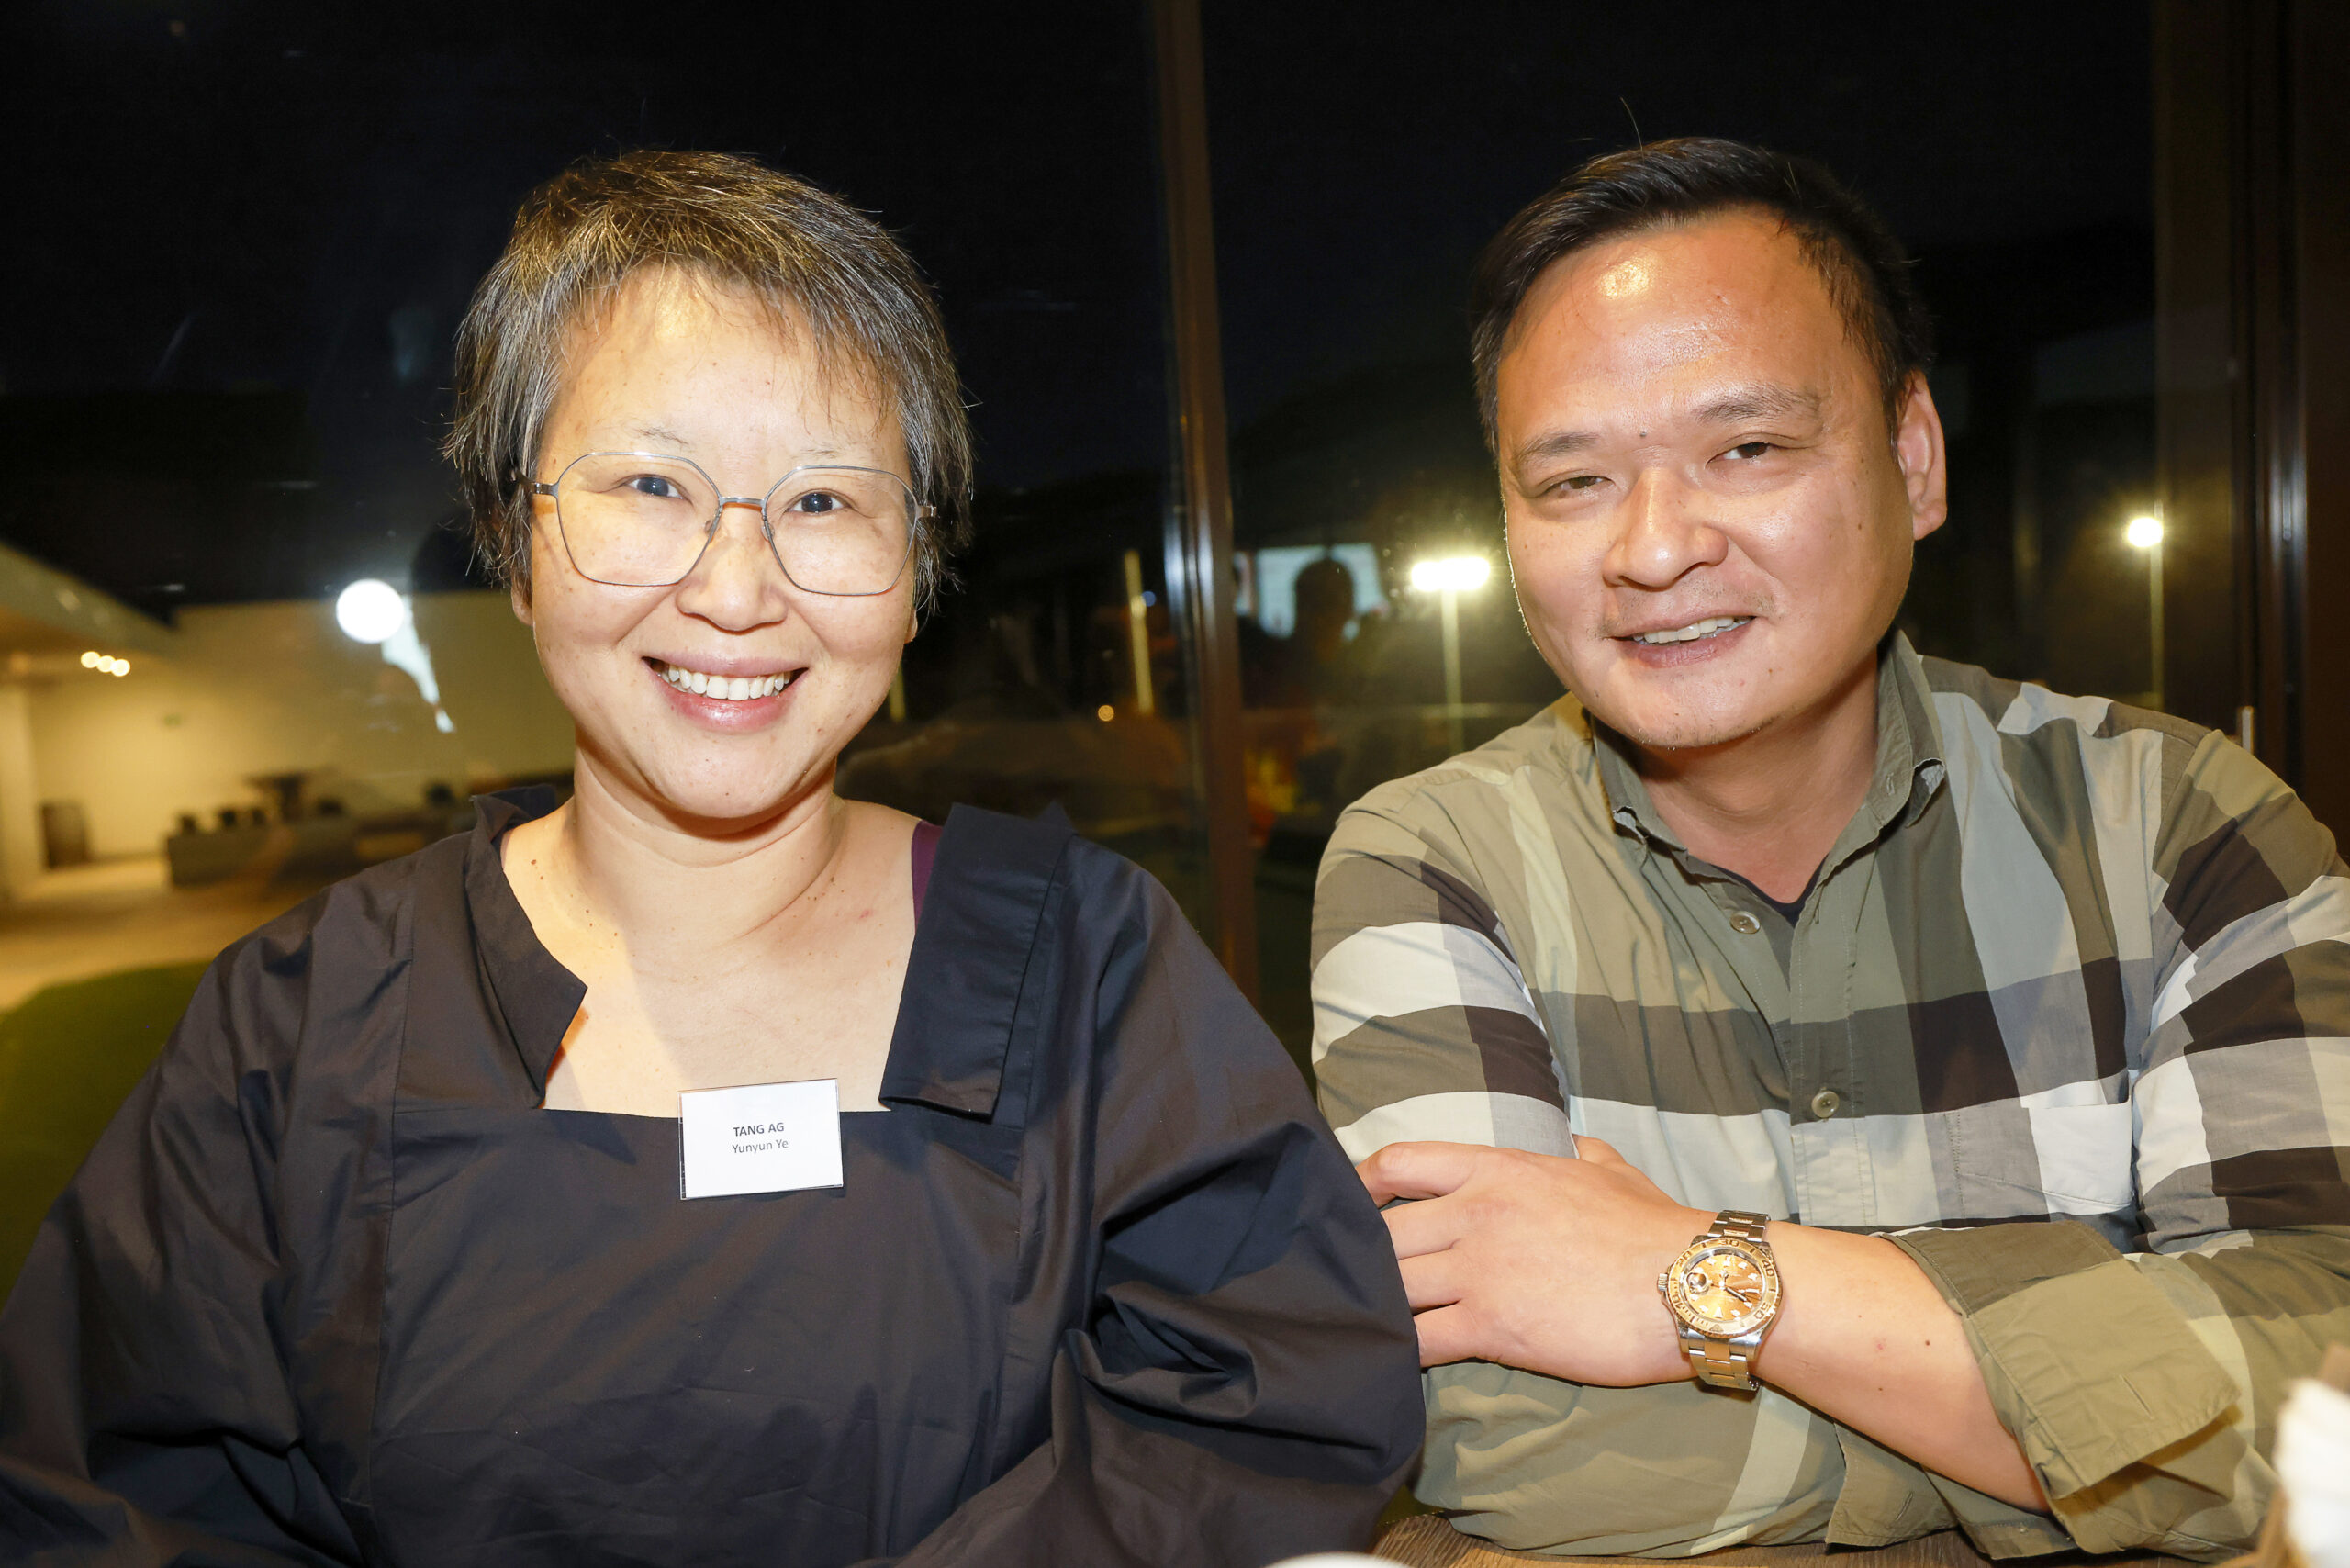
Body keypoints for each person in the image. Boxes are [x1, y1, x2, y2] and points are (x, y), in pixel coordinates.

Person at [0, 151, 1423, 1566]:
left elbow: (1266, 1399)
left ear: (918, 567)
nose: (737, 591)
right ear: (512, 538)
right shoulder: (306, 1020)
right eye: (650, 483)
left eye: (824, 501)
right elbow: (110, 1501)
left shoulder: (1086, 967)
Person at [1310, 138, 2350, 1562]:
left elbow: (2318, 1396)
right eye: (1572, 481)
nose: (1655, 549)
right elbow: (1506, 1440)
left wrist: (1709, 1280)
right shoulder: (1437, 859)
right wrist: (2092, 1402)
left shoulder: (2178, 824)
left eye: (1747, 449)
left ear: (1913, 459)